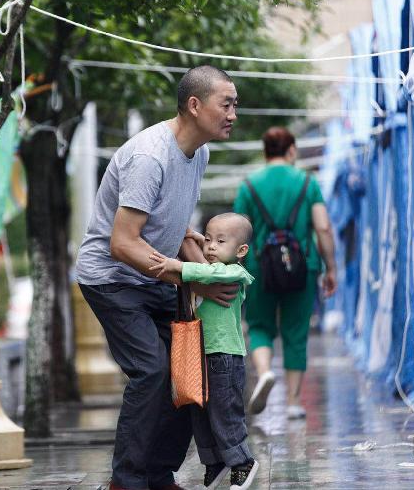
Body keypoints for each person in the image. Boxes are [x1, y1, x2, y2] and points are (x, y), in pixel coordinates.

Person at [76, 65, 239, 490]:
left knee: (189, 369)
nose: (233, 114)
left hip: (157, 278)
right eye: (227, 104)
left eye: (234, 105)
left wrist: (207, 270)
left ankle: (158, 474)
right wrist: (189, 280)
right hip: (111, 279)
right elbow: (122, 243)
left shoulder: (199, 153)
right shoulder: (151, 157)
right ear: (194, 105)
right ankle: (125, 481)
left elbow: (179, 228)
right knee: (151, 371)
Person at [149, 213, 258, 490]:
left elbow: (211, 273)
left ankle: (242, 460)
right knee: (200, 411)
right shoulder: (209, 270)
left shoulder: (235, 273)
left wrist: (178, 266)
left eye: (221, 241)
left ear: (241, 250)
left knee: (224, 411)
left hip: (225, 356)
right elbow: (204, 272)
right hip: (199, 354)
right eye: (208, 239)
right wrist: (191, 248)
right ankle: (214, 461)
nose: (210, 246)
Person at [233, 127, 337, 419]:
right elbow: (323, 227)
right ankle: (293, 401)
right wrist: (332, 267)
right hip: (302, 267)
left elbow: (236, 230)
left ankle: (265, 372)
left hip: (259, 268)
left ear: (266, 151)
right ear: (291, 150)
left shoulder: (249, 185)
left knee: (259, 325)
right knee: (296, 330)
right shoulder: (307, 182)